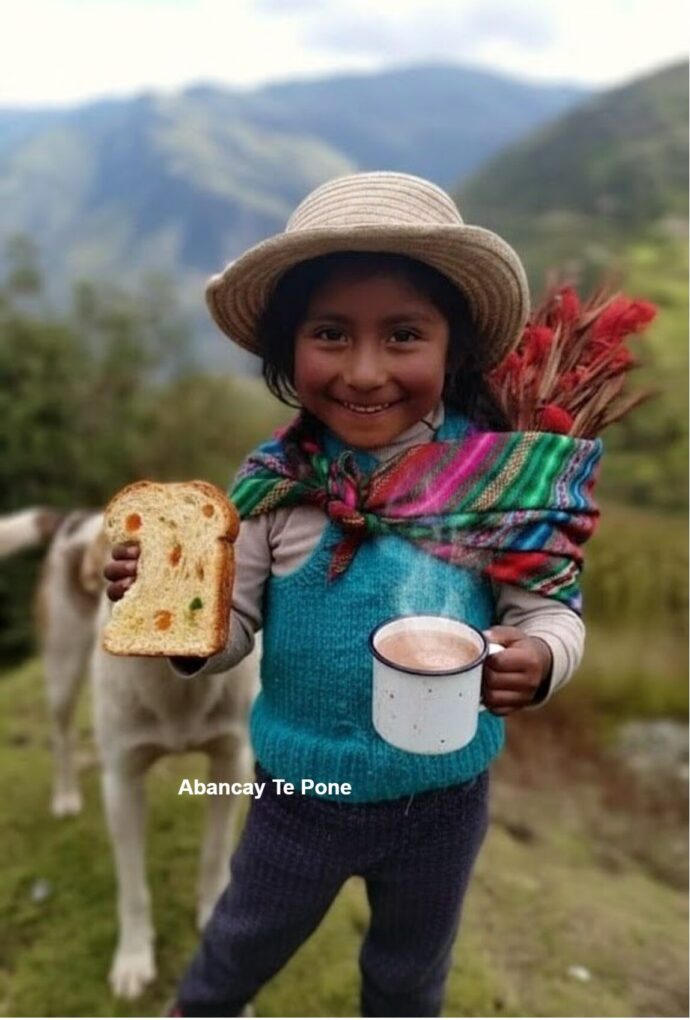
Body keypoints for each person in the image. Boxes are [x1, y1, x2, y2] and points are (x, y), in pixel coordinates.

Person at [104, 172, 597, 1017]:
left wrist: (542, 657)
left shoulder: (496, 482)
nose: (365, 372)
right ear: (287, 351)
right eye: (330, 333)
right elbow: (230, 632)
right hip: (300, 798)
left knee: (408, 979)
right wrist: (172, 613)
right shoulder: (272, 491)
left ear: (455, 348)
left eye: (404, 335)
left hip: (446, 802)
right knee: (235, 951)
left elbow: (549, 609)